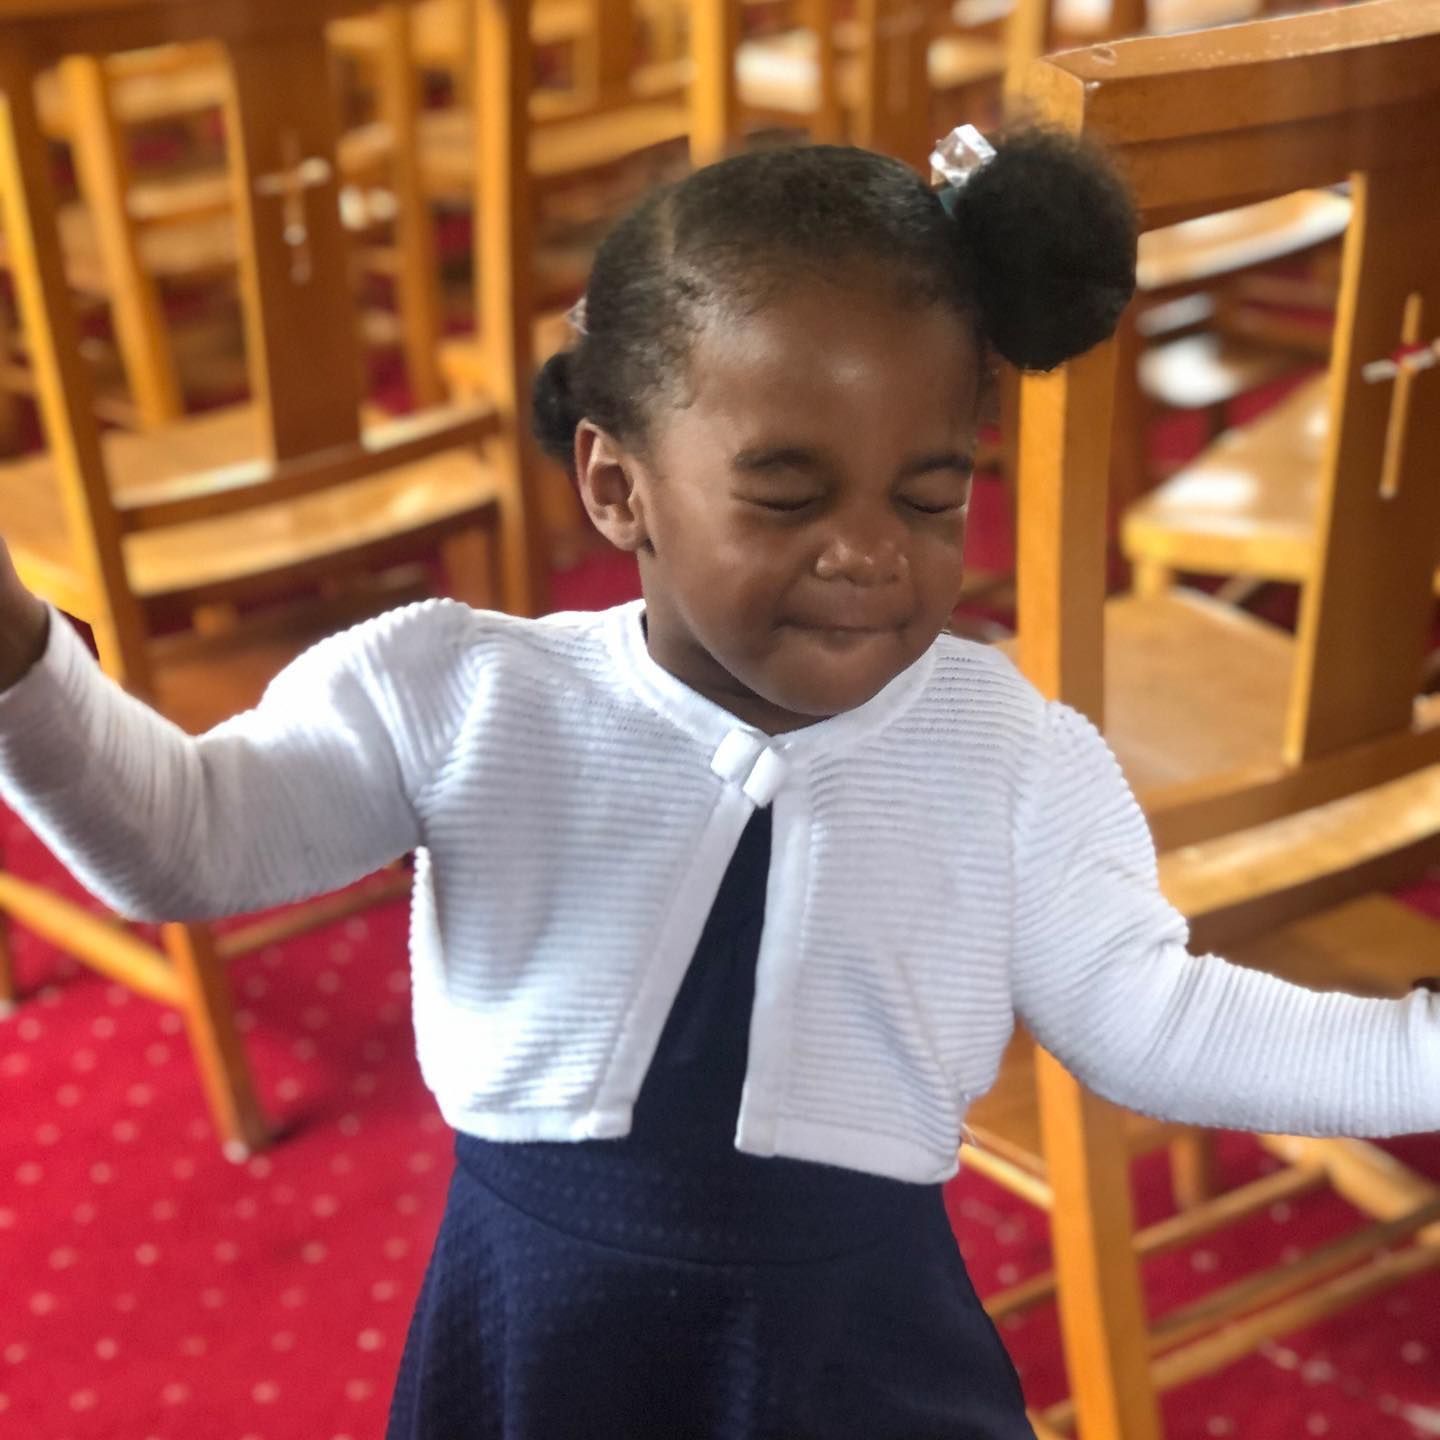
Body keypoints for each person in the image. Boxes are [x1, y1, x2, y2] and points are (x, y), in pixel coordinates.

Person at [1, 127, 1437, 1440]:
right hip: (548, 1343)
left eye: (931, 494)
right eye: (790, 495)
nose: (872, 553)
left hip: (855, 1358)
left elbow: (1158, 1020)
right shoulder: (460, 693)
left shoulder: (1009, 752)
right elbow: (182, 841)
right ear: (616, 486)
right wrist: (21, 658)